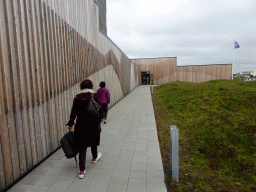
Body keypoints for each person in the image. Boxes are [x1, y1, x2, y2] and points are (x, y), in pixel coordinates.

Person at [66, 79, 103, 179]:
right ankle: (94, 157)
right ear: (91, 86)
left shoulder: (77, 98)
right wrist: (100, 119)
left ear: (81, 87)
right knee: (93, 141)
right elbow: (100, 109)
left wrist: (70, 124)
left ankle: (82, 171)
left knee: (82, 147)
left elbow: (73, 113)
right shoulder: (94, 96)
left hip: (81, 126)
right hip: (93, 125)